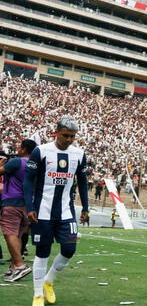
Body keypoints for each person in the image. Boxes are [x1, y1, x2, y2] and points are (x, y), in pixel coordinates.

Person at [23, 116, 89, 306]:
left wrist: (85, 207)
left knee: (69, 249)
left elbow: (83, 183)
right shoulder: (41, 151)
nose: (68, 139)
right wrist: (30, 207)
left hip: (66, 212)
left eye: (72, 137)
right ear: (57, 132)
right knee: (42, 253)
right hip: (42, 211)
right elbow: (28, 181)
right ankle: (37, 295)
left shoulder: (79, 154)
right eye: (65, 135)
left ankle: (48, 281)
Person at [0, 139, 37, 282]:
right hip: (28, 205)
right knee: (18, 235)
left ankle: (20, 266)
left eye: (19, 147)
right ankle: (13, 266)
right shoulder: (37, 165)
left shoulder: (17, 161)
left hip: (12, 201)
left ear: (23, 149)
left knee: (10, 234)